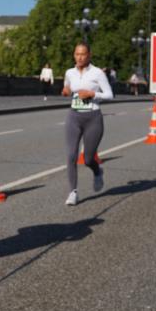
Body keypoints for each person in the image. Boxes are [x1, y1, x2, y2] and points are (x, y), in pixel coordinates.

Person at [62, 42, 113, 205]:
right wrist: (66, 91)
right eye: (77, 54)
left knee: (88, 159)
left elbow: (110, 95)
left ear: (89, 55)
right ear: (74, 55)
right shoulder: (69, 72)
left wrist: (92, 93)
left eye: (83, 54)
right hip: (74, 117)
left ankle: (97, 172)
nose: (80, 57)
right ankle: (73, 192)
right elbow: (67, 87)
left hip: (93, 118)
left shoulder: (98, 73)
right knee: (71, 156)